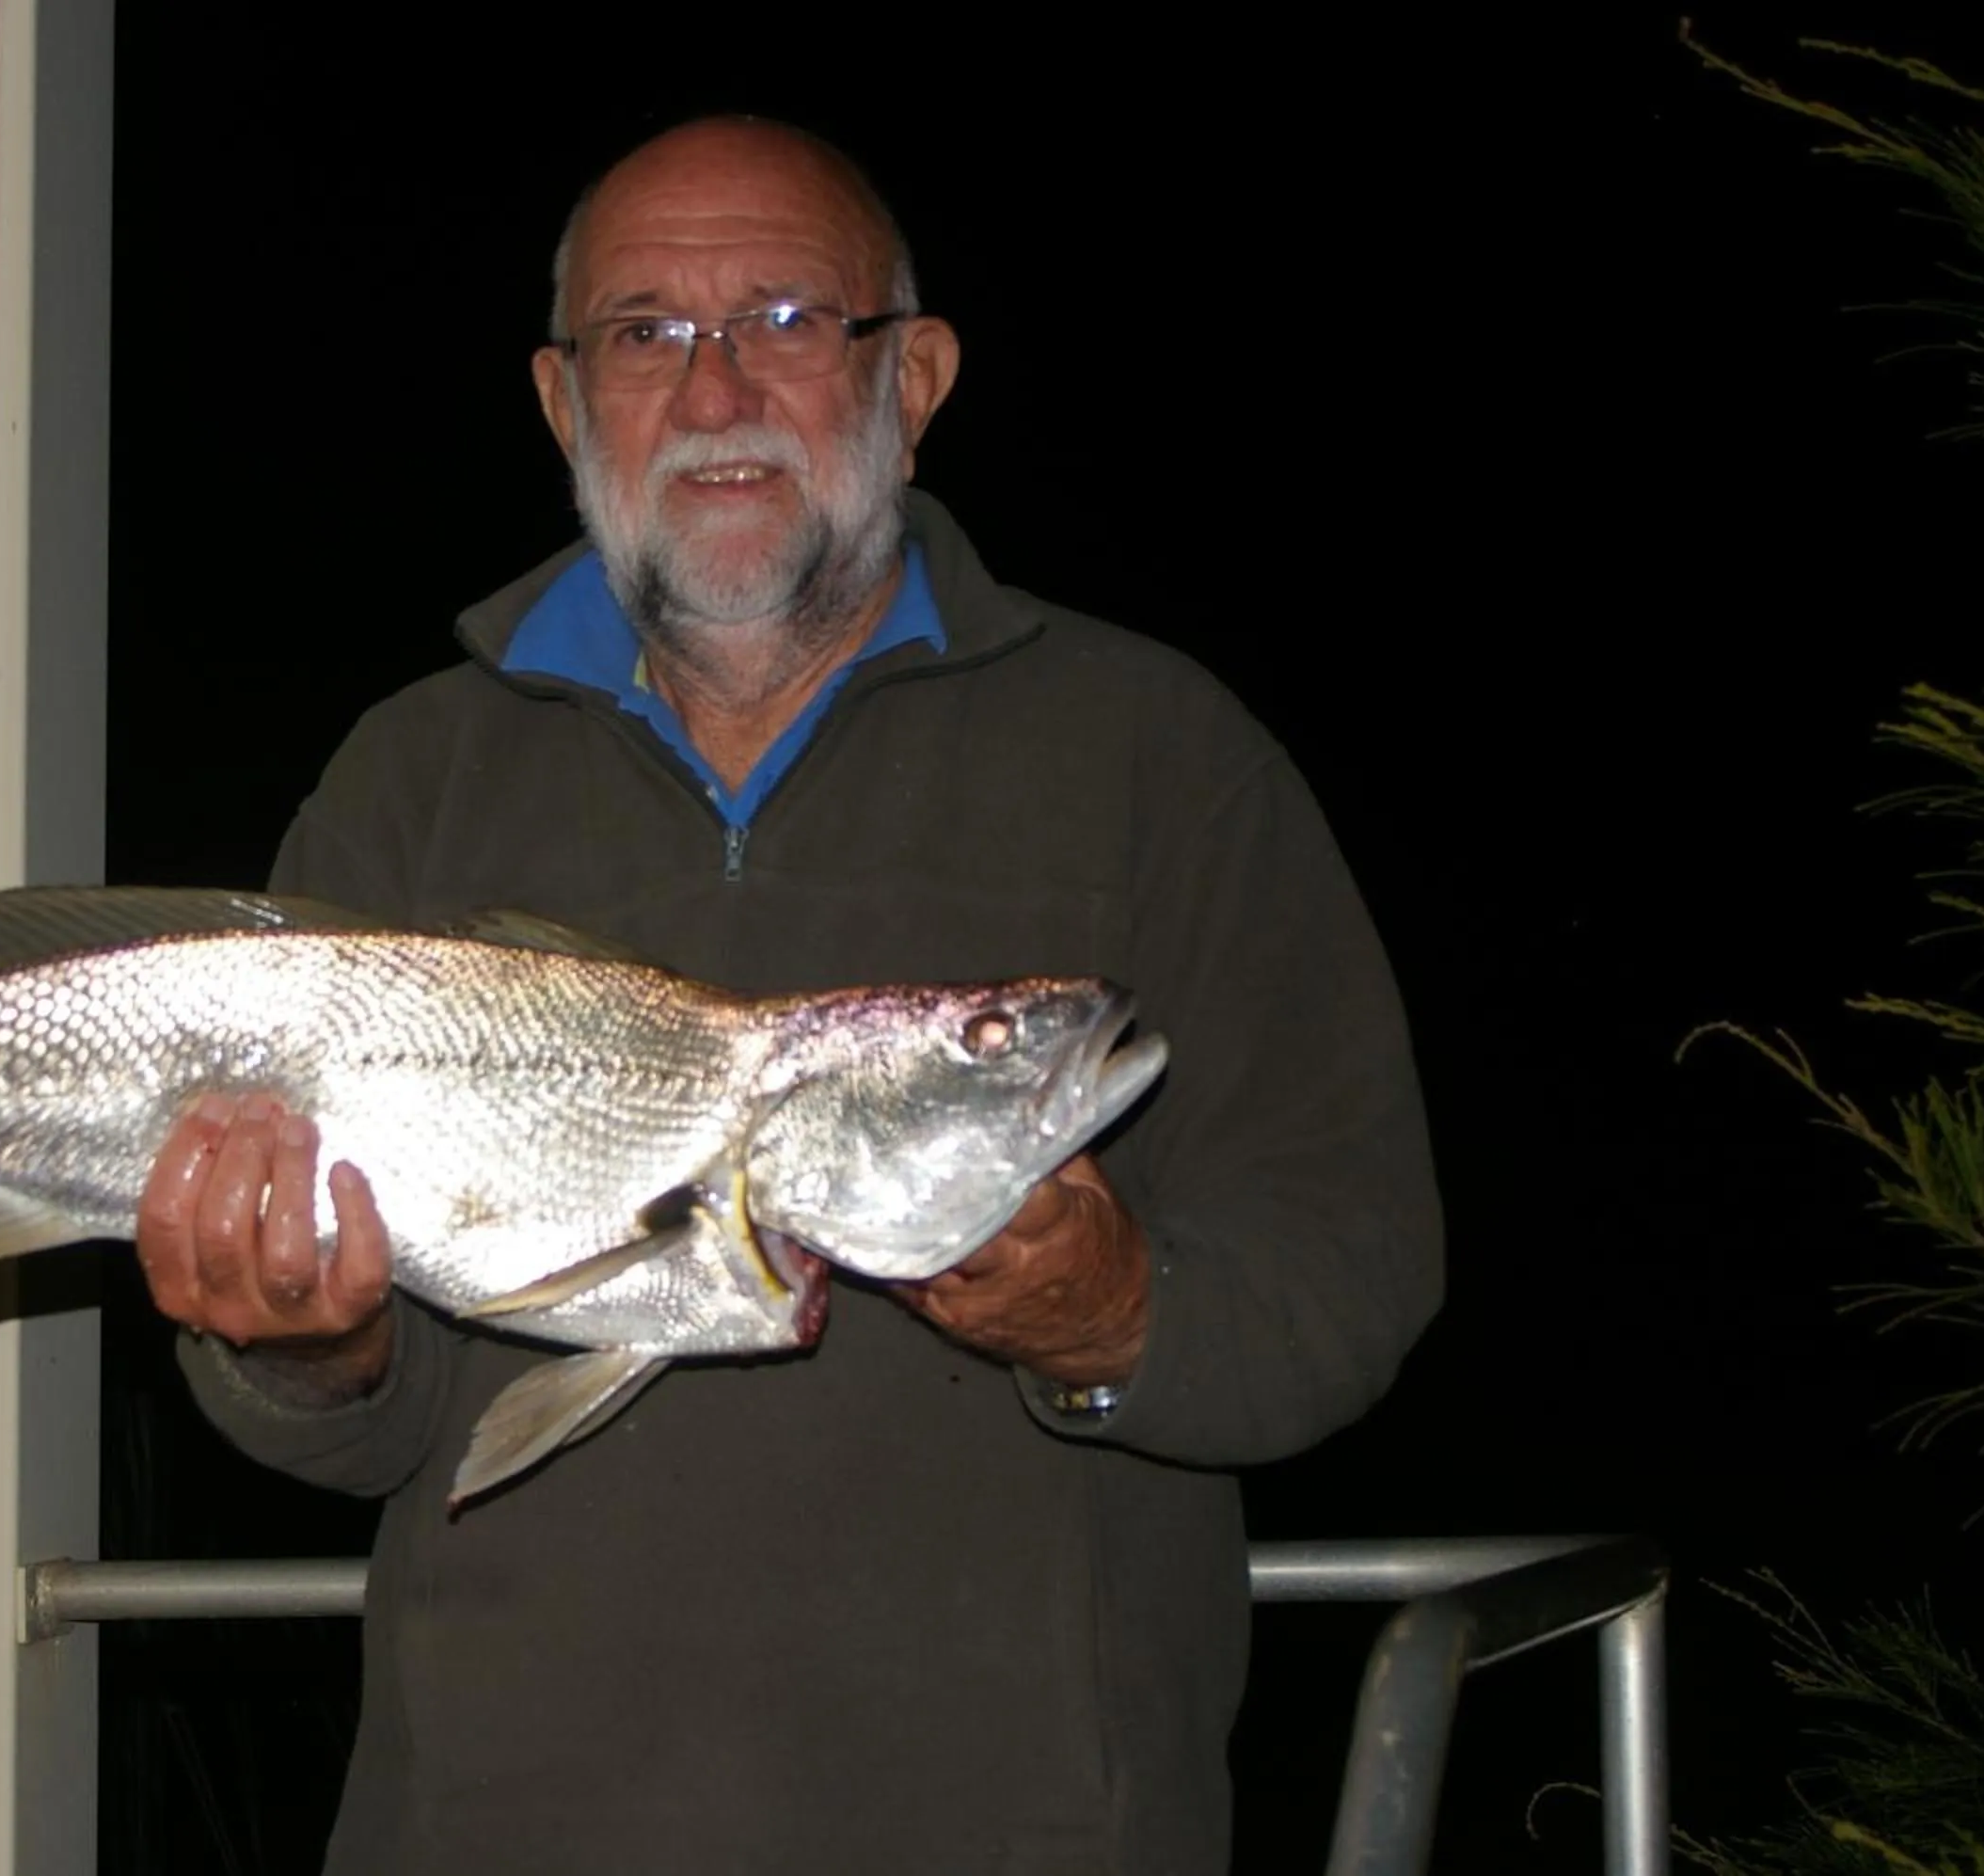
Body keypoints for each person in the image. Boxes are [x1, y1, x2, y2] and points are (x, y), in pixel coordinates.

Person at [135, 115, 1441, 1875]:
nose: (716, 386)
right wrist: (305, 1348)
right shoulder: (414, 777)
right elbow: (367, 1423)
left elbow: (1356, 1267)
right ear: (560, 401)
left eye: (788, 319)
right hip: (495, 1833)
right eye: (646, 332)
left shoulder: (1159, 755)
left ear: (915, 377)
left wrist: (1120, 1318)